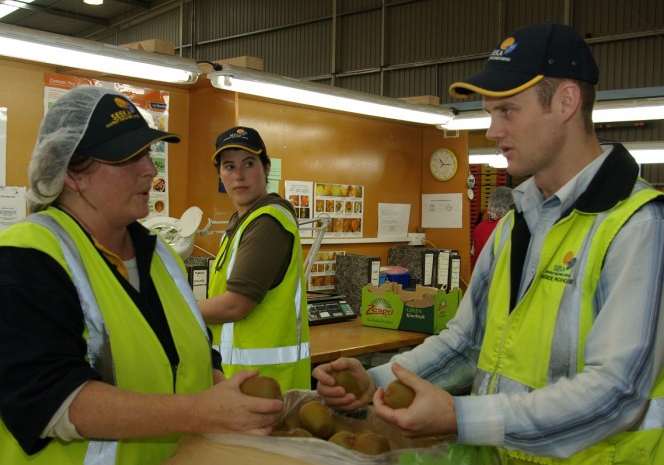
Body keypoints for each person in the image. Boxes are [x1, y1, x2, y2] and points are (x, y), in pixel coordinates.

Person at [313, 21, 664, 464]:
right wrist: (377, 381)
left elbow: (619, 391)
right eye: (489, 113)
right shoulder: (516, 223)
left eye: (507, 111)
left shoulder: (638, 228)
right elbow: (467, 342)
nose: (492, 131)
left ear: (566, 102)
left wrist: (464, 416)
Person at [0, 86, 283, 465]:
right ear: (72, 174)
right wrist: (200, 411)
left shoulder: (159, 255)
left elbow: (189, 349)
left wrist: (223, 392)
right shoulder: (26, 261)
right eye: (127, 157)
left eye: (147, 153)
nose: (150, 168)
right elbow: (52, 402)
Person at [197, 126, 311, 392]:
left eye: (248, 164)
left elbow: (235, 306)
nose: (238, 175)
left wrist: (173, 311)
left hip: (268, 385)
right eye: (229, 166)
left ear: (267, 167)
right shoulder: (242, 223)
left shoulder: (267, 222)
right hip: (241, 381)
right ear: (220, 175)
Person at [470, 186, 514, 269]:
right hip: (500, 279)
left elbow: (474, 253)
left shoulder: (479, 228)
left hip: (480, 278)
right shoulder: (511, 226)